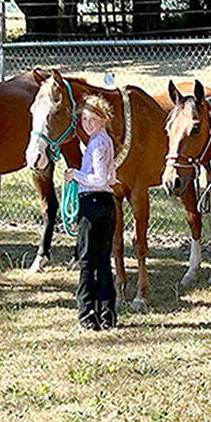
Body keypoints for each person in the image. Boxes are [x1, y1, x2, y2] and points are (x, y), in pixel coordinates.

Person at [63, 94, 118, 331]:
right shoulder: (106, 141)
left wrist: (75, 175)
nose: (88, 124)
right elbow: (112, 177)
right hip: (107, 202)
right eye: (84, 119)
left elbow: (100, 178)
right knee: (103, 260)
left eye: (93, 119)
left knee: (87, 261)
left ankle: (86, 313)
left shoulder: (96, 144)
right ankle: (107, 314)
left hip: (93, 202)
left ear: (104, 119)